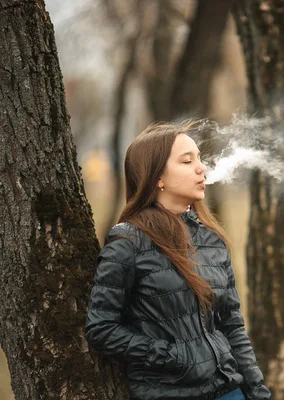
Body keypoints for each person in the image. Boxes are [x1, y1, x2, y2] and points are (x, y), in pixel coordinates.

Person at [85, 121, 271, 400]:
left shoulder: (212, 240)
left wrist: (257, 392)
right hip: (169, 393)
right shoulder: (127, 243)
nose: (201, 168)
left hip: (229, 391)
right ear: (156, 177)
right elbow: (101, 328)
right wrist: (169, 355)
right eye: (187, 161)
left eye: (199, 159)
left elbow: (231, 326)